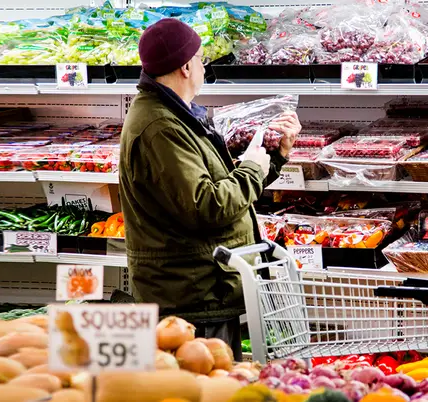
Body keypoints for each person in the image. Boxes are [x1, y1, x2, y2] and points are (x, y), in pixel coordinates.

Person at [118, 18, 301, 358]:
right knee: (202, 384)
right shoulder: (161, 127)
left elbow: (216, 188)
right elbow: (207, 206)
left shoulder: (174, 116)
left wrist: (274, 159)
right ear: (186, 66)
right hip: (190, 296)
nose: (205, 67)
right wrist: (251, 167)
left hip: (201, 285)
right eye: (202, 59)